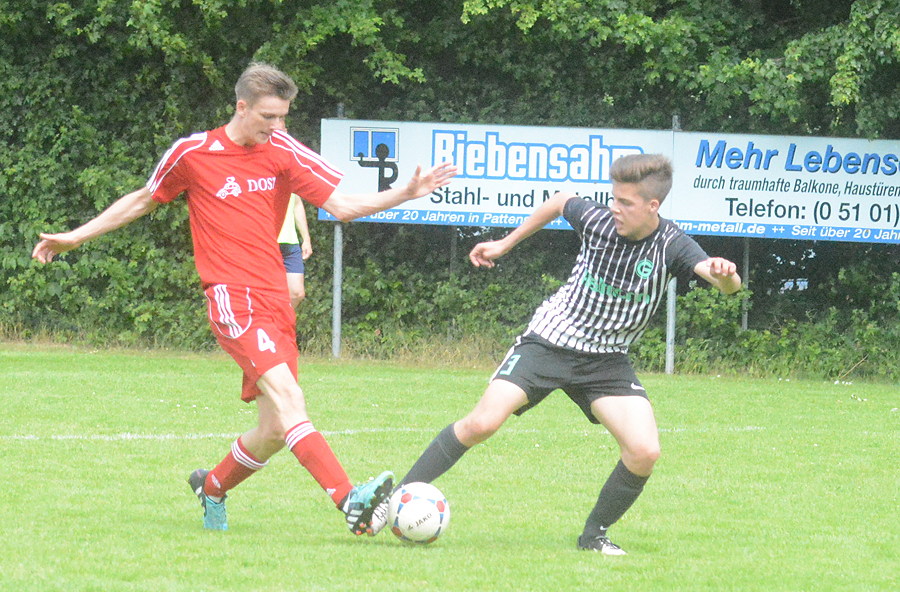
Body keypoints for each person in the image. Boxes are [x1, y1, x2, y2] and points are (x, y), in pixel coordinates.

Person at [32, 62, 456, 535]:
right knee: (291, 398)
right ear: (241, 107)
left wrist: (405, 193)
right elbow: (143, 199)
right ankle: (348, 499)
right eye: (268, 117)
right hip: (232, 298)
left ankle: (212, 486)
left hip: (275, 300)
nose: (277, 126)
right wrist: (75, 236)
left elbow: (341, 206)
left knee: (274, 429)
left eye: (283, 117)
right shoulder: (194, 153)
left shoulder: (283, 149)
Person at [376, 153, 741, 554]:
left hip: (606, 359)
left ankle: (594, 536)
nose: (615, 208)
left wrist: (726, 276)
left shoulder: (672, 243)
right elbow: (560, 200)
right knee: (482, 423)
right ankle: (389, 504)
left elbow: (722, 280)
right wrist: (505, 243)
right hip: (551, 340)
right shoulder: (597, 220)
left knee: (644, 451)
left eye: (626, 203)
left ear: (652, 206)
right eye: (613, 198)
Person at [279, 194, 312, 309]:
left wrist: (306, 239)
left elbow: (297, 204)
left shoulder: (290, 183)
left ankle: (279, 318)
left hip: (290, 243)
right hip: (266, 243)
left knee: (297, 293)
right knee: (264, 292)